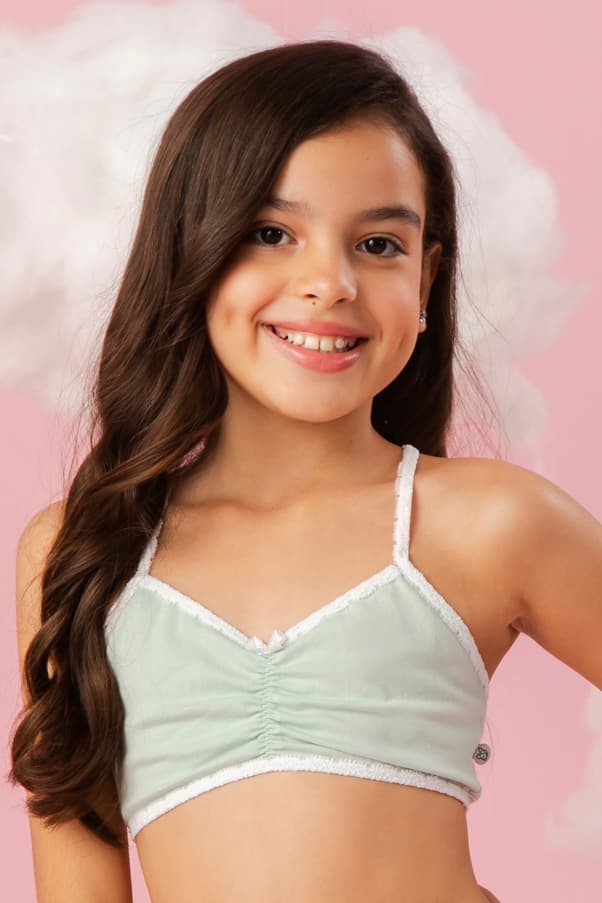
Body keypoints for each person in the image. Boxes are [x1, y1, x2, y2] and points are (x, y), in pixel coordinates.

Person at [9, 39, 601, 903]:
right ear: (189, 250)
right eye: (272, 233)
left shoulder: (492, 522)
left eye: (379, 243)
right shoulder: (81, 552)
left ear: (427, 278)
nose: (329, 282)